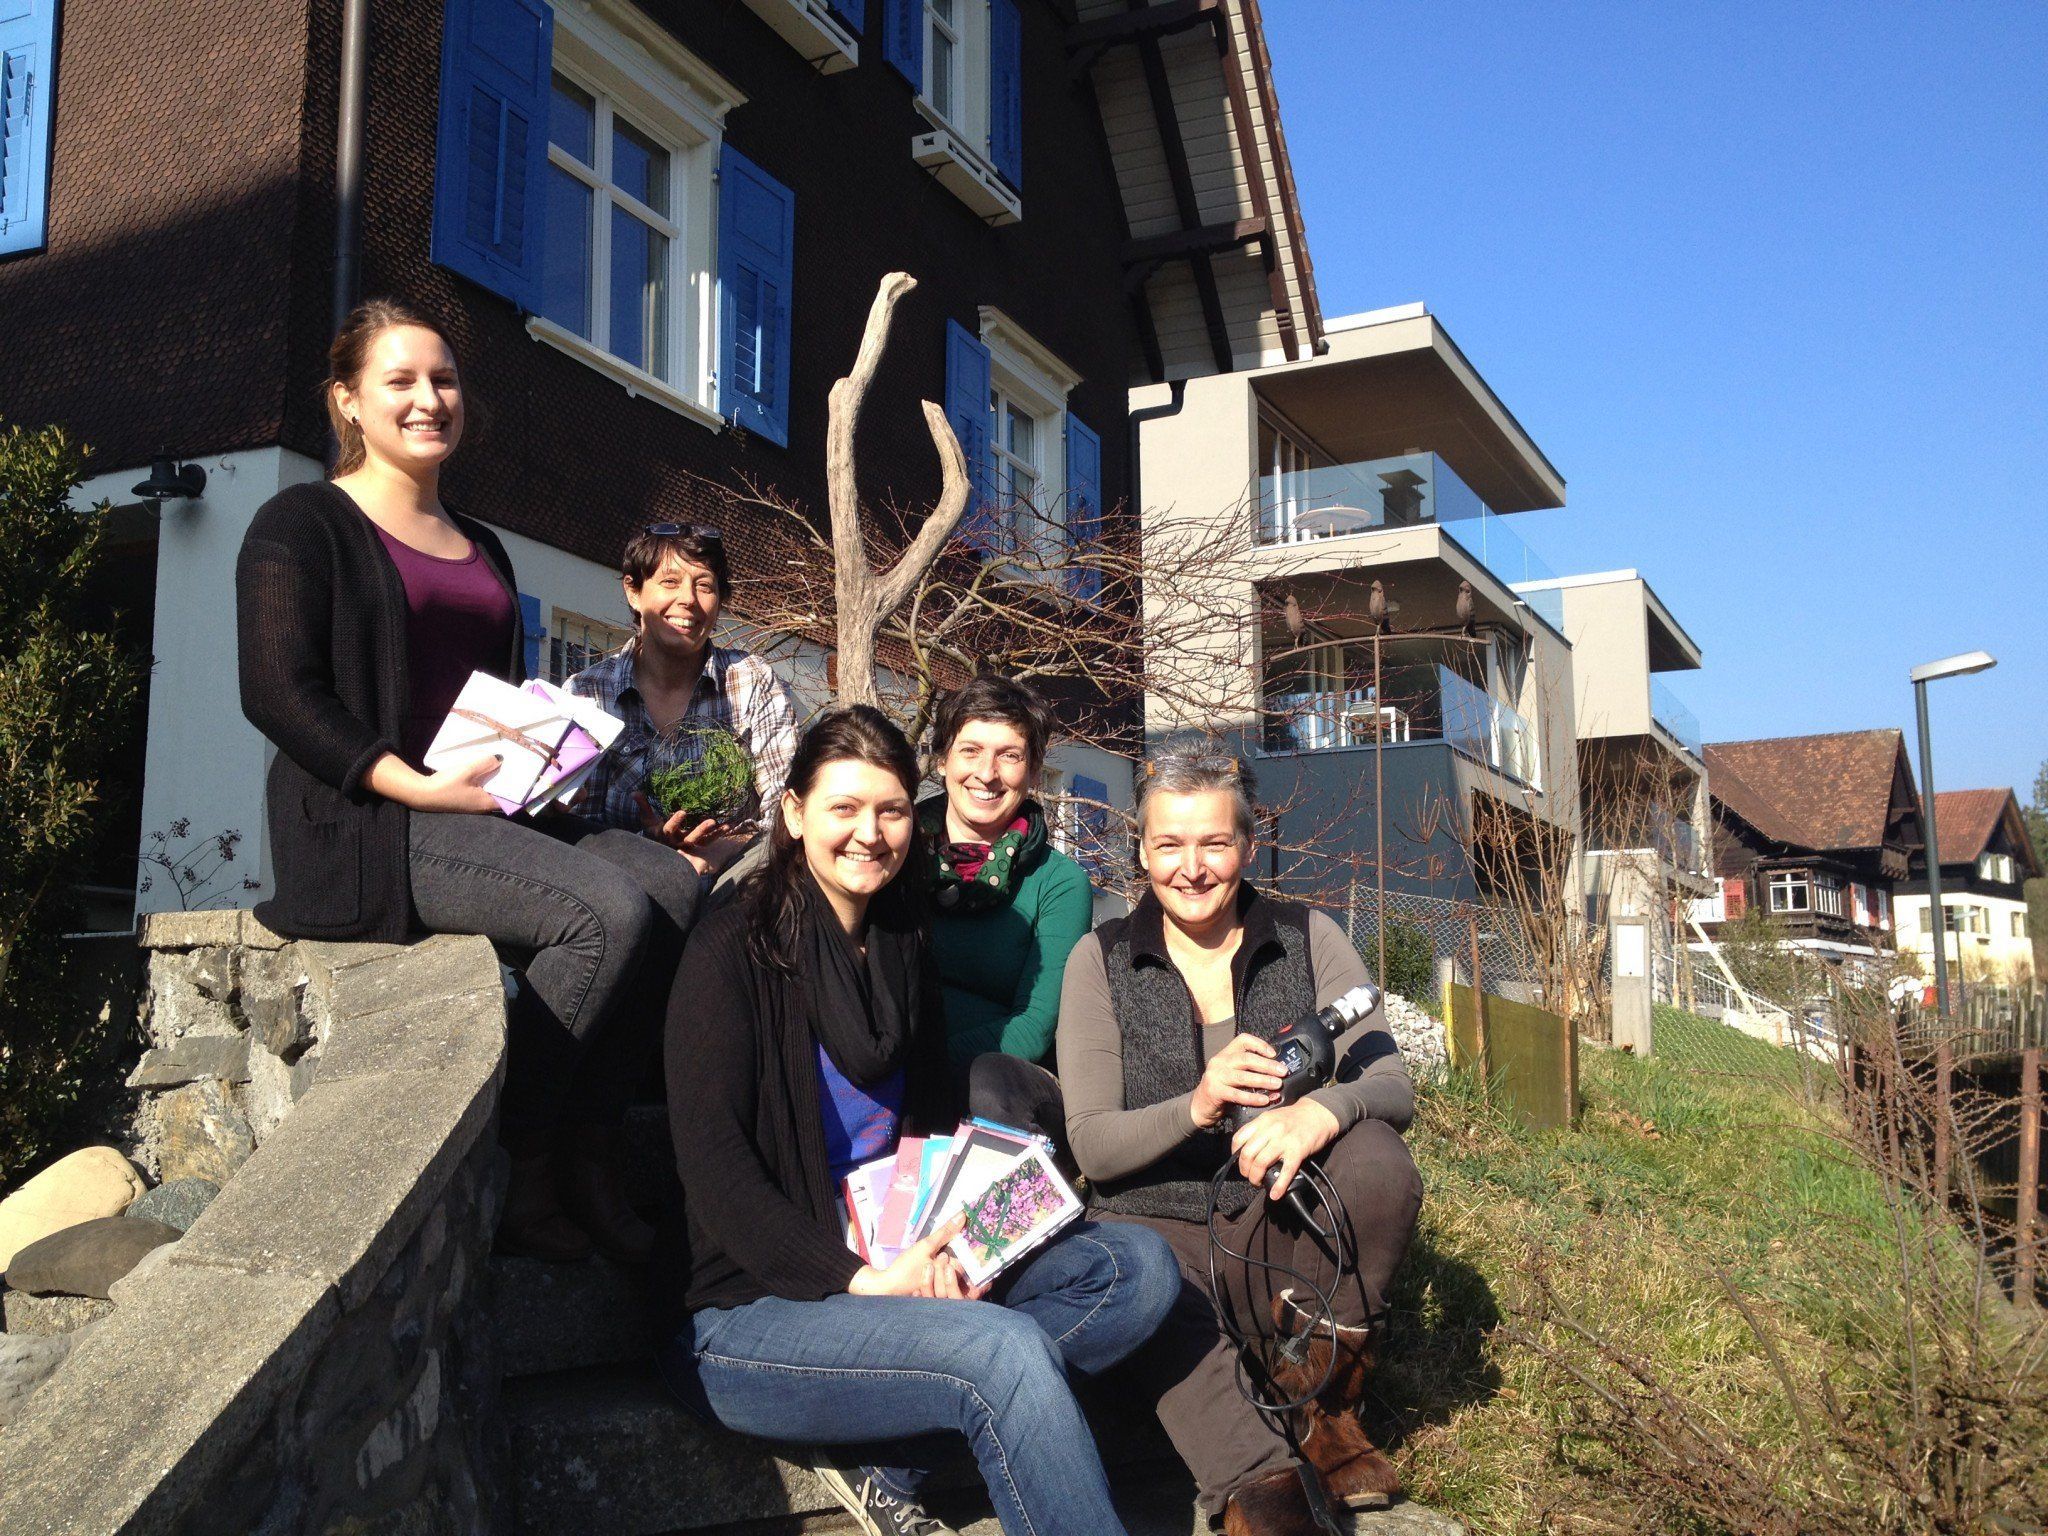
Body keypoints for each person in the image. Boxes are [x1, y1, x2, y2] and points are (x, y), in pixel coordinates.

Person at [236, 298, 697, 1265]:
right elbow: (277, 690)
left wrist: (548, 753)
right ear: (347, 400)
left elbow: (494, 696)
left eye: (442, 379)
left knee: (668, 886)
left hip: (489, 806)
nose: (429, 399)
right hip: (370, 820)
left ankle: (593, 1145)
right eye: (399, 380)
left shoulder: (483, 543)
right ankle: (524, 1164)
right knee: (604, 912)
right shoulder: (301, 524)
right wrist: (410, 784)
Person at [657, 705, 1182, 1536]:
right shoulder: (731, 951)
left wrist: (956, 1247)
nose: (869, 834)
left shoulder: (902, 941)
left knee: (1136, 1269)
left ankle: (891, 1462)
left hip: (900, 1250)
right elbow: (717, 1173)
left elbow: (932, 1125)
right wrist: (867, 1280)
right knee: (1002, 1351)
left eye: (892, 810)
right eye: (844, 808)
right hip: (755, 1308)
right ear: (793, 813)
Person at [1057, 744, 1423, 1536]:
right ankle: (1261, 1489)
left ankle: (1326, 1409)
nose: (1191, 868)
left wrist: (1321, 1113)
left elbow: (1392, 1086)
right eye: (1168, 844)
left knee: (1378, 1159)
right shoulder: (1100, 959)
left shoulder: (1309, 936)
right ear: (1142, 852)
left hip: (1277, 1225)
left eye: (1214, 843)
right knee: (1143, 1276)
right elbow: (1092, 1147)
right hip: (1155, 1230)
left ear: (1248, 847)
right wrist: (1196, 1105)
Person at [566, 522, 797, 887]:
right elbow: (575, 829)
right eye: (670, 582)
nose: (688, 599)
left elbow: (788, 808)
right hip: (619, 887)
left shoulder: (753, 682)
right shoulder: (587, 693)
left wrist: (727, 849)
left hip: (737, 887)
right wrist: (648, 847)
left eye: (704, 585)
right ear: (634, 592)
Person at [916, 676, 1093, 1135]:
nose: (987, 773)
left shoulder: (1059, 883)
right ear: (942, 759)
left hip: (1005, 1090)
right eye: (970, 750)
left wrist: (919, 1067)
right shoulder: (896, 859)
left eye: (1009, 756)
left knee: (987, 1080)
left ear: (1033, 772)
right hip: (895, 1068)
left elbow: (1033, 1027)